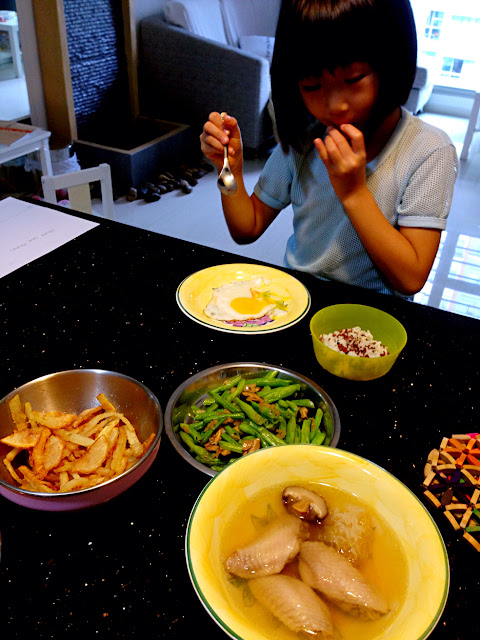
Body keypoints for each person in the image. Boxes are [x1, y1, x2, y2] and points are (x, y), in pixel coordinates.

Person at [199, 0, 458, 298]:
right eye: (312, 85)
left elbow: (411, 278)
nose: (335, 106)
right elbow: (248, 228)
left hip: (374, 315)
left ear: (390, 63)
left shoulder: (428, 150)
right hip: (301, 299)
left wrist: (354, 193)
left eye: (353, 79)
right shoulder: (305, 139)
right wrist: (229, 169)